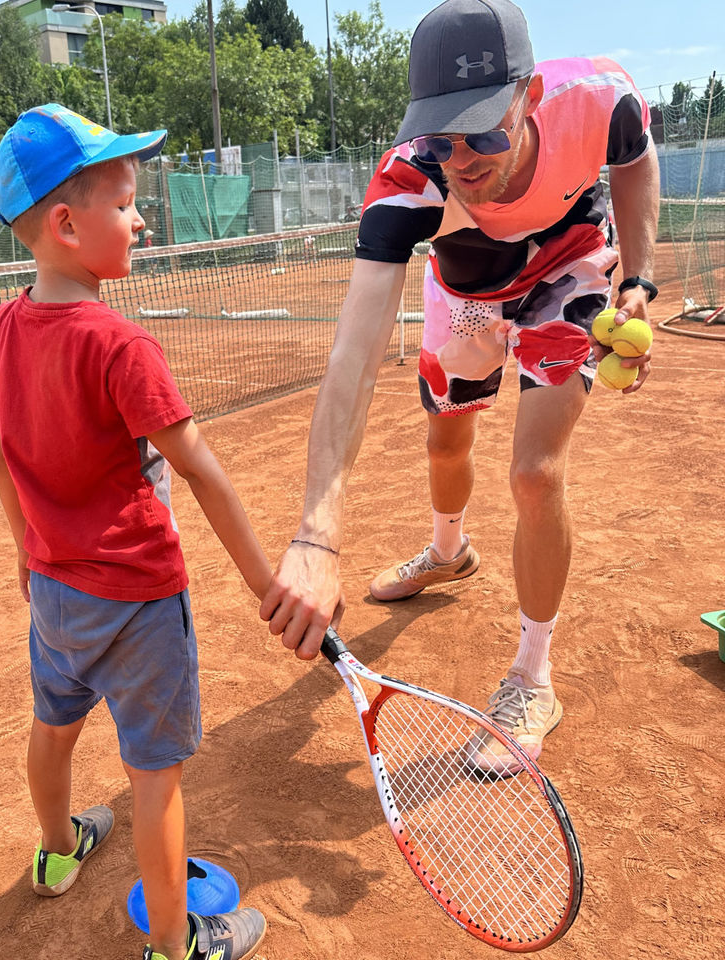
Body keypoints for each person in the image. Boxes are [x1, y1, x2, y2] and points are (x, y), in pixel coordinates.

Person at [260, 0, 659, 775]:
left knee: (534, 473)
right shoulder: (407, 181)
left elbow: (637, 161)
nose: (463, 159)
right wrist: (315, 535)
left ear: (531, 96)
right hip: (467, 289)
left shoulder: (601, 99)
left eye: (483, 129)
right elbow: (353, 353)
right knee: (447, 438)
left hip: (568, 269)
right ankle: (450, 551)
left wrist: (639, 276)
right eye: (442, 135)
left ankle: (532, 678)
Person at [0, 104, 269, 960]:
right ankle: (178, 947)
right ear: (66, 225)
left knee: (54, 725)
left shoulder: (0, 329)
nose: (142, 218)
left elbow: (0, 459)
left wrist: (26, 554)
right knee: (156, 777)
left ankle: (58, 852)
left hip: (54, 594)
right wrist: (268, 584)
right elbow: (201, 469)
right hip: (140, 602)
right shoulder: (121, 343)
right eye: (125, 203)